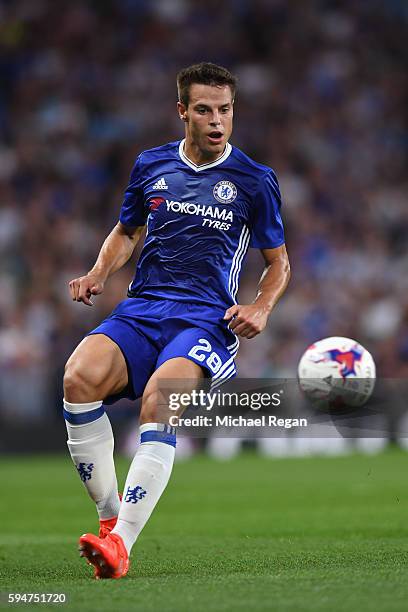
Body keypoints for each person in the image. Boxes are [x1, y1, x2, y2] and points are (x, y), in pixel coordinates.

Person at [64, 62, 290, 579]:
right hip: (143, 309)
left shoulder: (254, 181)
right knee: (78, 379)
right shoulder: (151, 164)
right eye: (205, 110)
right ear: (182, 111)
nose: (217, 121)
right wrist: (99, 270)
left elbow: (279, 262)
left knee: (159, 402)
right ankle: (109, 518)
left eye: (226, 110)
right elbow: (126, 230)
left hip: (207, 321)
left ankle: (121, 545)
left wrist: (260, 307)